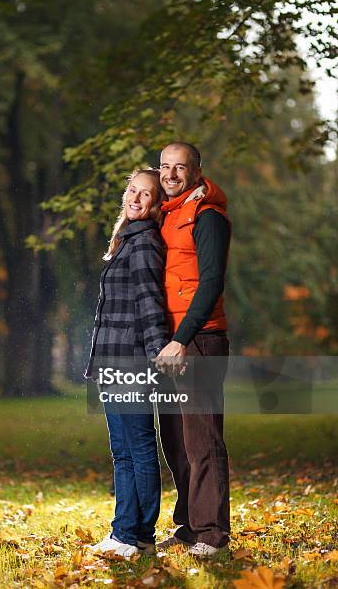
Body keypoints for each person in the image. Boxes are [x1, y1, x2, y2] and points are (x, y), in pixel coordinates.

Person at [85, 169, 169, 559]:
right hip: (110, 360)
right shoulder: (126, 240)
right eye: (132, 191)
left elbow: (150, 305)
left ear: (157, 203)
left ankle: (139, 536)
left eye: (146, 194)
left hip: (131, 358)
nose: (136, 199)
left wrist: (157, 355)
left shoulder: (145, 242)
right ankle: (125, 532)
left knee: (138, 448)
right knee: (122, 452)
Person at [154, 142, 231, 558]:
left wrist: (182, 339)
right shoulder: (167, 215)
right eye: (165, 166)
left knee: (202, 440)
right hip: (168, 344)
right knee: (177, 442)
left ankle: (212, 533)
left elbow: (211, 282)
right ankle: (188, 526)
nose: (170, 174)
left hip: (197, 341)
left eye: (180, 167)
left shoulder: (208, 216)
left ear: (197, 171)